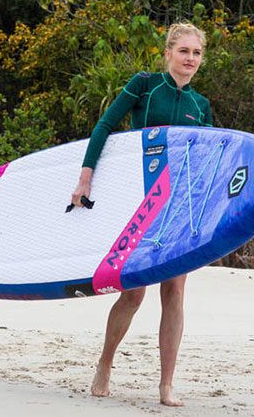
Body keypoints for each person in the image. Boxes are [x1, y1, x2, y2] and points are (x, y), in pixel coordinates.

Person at [71, 22, 213, 406]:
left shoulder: (201, 106)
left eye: (197, 53)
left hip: (179, 207)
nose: (190, 59)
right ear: (168, 53)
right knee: (134, 292)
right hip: (140, 201)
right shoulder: (144, 86)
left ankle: (166, 385)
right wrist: (85, 180)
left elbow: (206, 163)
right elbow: (104, 127)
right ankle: (105, 362)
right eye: (184, 51)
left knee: (176, 291)